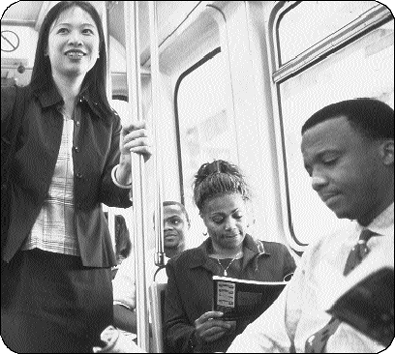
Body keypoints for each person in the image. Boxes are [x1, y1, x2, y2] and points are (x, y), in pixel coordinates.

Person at [0, 2, 151, 353]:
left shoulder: (107, 121)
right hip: (28, 269)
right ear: (46, 46)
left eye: (87, 32)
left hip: (88, 277)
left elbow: (110, 194)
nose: (76, 39)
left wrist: (126, 168)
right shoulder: (13, 103)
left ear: (98, 52)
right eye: (63, 30)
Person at [227, 98, 394, 353]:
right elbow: (268, 334)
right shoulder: (324, 249)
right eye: (309, 171)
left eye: (329, 161)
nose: (315, 181)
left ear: (388, 152)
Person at [164, 160, 296, 353]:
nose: (230, 225)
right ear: (202, 218)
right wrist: (196, 336)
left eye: (237, 215)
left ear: (247, 210)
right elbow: (172, 330)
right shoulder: (181, 266)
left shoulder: (278, 256)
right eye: (218, 219)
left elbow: (300, 312)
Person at [112, 201, 191, 334]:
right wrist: (157, 332)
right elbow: (115, 309)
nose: (167, 227)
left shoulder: (204, 260)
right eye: (161, 224)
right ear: (155, 228)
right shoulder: (136, 264)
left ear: (188, 223)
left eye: (175, 221)